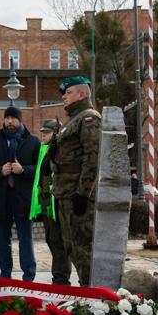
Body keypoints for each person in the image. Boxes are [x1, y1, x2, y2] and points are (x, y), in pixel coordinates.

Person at [0, 105, 40, 281]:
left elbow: (40, 168)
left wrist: (23, 170)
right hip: (1, 199)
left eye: (13, 118)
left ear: (20, 120)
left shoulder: (33, 141)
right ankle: (5, 276)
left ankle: (29, 277)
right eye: (7, 118)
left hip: (23, 199)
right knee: (2, 240)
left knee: (25, 239)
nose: (10, 121)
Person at [51, 76, 101, 286]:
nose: (64, 96)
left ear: (81, 94)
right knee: (70, 245)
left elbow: (93, 158)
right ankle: (84, 289)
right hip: (64, 192)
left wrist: (83, 193)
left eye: (68, 92)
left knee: (83, 247)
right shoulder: (71, 120)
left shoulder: (89, 118)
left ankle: (91, 292)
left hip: (76, 194)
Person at [30, 118, 71, 284]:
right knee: (51, 240)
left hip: (57, 203)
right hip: (47, 203)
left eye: (47, 132)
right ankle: (59, 277)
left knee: (58, 241)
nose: (43, 135)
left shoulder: (60, 149)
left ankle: (61, 280)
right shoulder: (43, 149)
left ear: (55, 134)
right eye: (42, 132)